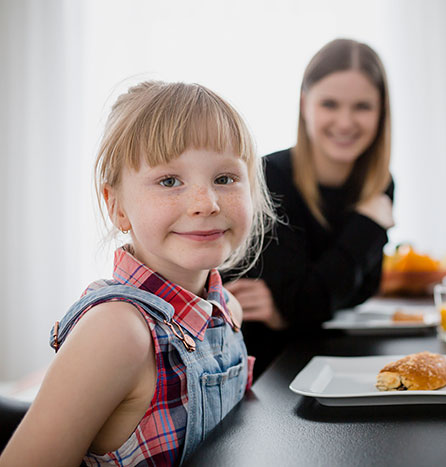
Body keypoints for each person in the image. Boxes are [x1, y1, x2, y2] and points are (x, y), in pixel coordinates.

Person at [0, 81, 275, 466]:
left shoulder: (226, 310)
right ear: (117, 207)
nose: (206, 203)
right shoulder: (118, 332)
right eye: (169, 181)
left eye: (225, 179)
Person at [223, 38, 394, 378]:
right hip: (264, 370)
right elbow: (305, 302)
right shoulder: (271, 177)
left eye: (362, 106)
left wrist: (296, 309)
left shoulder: (379, 185)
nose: (345, 122)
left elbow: (358, 291)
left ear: (381, 112)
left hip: (324, 359)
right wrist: (367, 226)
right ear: (305, 105)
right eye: (330, 104)